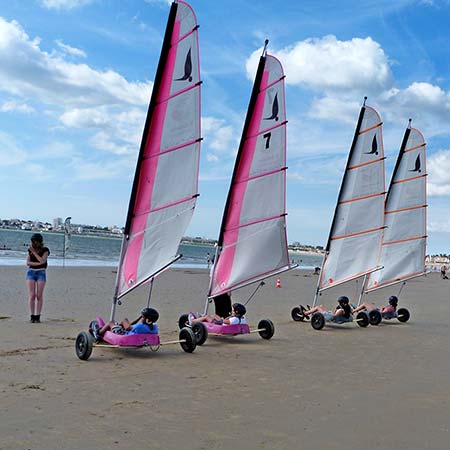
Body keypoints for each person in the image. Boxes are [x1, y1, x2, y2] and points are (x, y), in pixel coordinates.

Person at [92, 307, 159, 340]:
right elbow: (131, 326)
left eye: (143, 317)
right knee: (124, 321)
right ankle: (117, 326)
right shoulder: (154, 327)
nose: (141, 318)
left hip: (125, 334)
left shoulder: (140, 326)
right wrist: (140, 318)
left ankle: (99, 333)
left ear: (147, 320)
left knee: (111, 323)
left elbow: (128, 327)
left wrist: (125, 322)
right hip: (136, 334)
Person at [26, 233, 50, 323]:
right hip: (31, 272)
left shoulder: (45, 250)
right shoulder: (30, 250)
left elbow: (42, 260)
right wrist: (38, 263)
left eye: (36, 242)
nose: (34, 244)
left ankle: (38, 316)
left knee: (39, 295)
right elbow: (28, 263)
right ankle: (32, 315)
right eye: (33, 242)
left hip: (41, 272)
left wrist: (35, 253)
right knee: (32, 295)